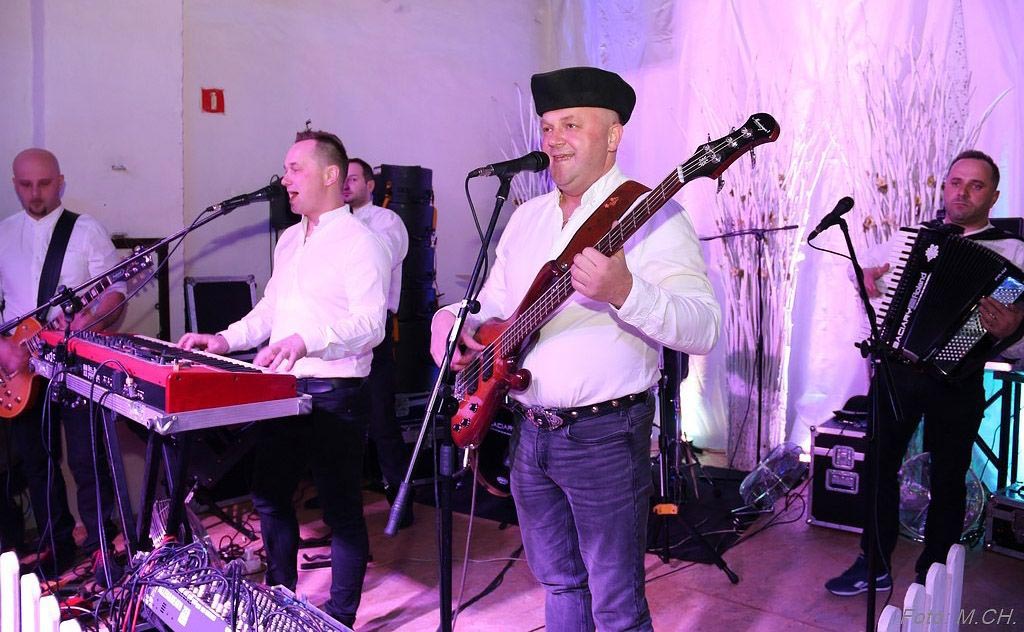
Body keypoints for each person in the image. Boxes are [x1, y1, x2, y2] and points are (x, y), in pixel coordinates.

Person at [429, 67, 720, 631]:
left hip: (604, 437)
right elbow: (494, 302)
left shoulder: (654, 214)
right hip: (527, 430)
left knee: (616, 605)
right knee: (559, 583)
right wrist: (452, 320)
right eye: (546, 127)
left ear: (613, 135)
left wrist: (625, 292)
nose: (553, 140)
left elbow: (702, 327)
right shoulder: (527, 218)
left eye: (570, 125)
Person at [179, 130, 390, 628]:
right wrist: (224, 340)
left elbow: (371, 325)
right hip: (284, 391)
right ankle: (279, 599)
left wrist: (305, 341)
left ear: (331, 175)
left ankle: (339, 618)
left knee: (341, 511)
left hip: (336, 394)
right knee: (269, 496)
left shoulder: (362, 242)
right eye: (285, 169)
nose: (284, 178)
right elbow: (270, 310)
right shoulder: (291, 238)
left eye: (295, 168)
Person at [826, 150, 1024, 596]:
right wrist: (866, 278)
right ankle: (874, 562)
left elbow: (1018, 333)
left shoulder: (1013, 252)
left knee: (949, 476)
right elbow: (870, 278)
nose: (962, 193)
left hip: (958, 377)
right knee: (879, 466)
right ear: (944, 187)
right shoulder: (911, 238)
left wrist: (1013, 328)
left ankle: (934, 572)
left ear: (994, 196)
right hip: (897, 372)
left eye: (976, 185)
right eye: (955, 182)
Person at [0, 148, 122, 574]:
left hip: (73, 361)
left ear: (61, 181)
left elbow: (116, 290)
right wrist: (4, 349)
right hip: (20, 368)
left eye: (45, 183)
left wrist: (92, 319)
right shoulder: (3, 233)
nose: (35, 193)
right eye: (26, 185)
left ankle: (101, 544)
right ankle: (56, 541)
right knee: (36, 462)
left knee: (87, 460)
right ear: (15, 184)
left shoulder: (85, 230)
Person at [342, 158, 413, 522]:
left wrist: (341, 223)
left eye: (353, 179)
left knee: (382, 419)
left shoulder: (387, 221)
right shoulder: (332, 223)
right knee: (340, 420)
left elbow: (382, 256)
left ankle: (400, 502)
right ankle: (341, 498)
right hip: (338, 330)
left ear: (370, 185)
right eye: (342, 179)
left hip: (374, 330)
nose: (346, 185)